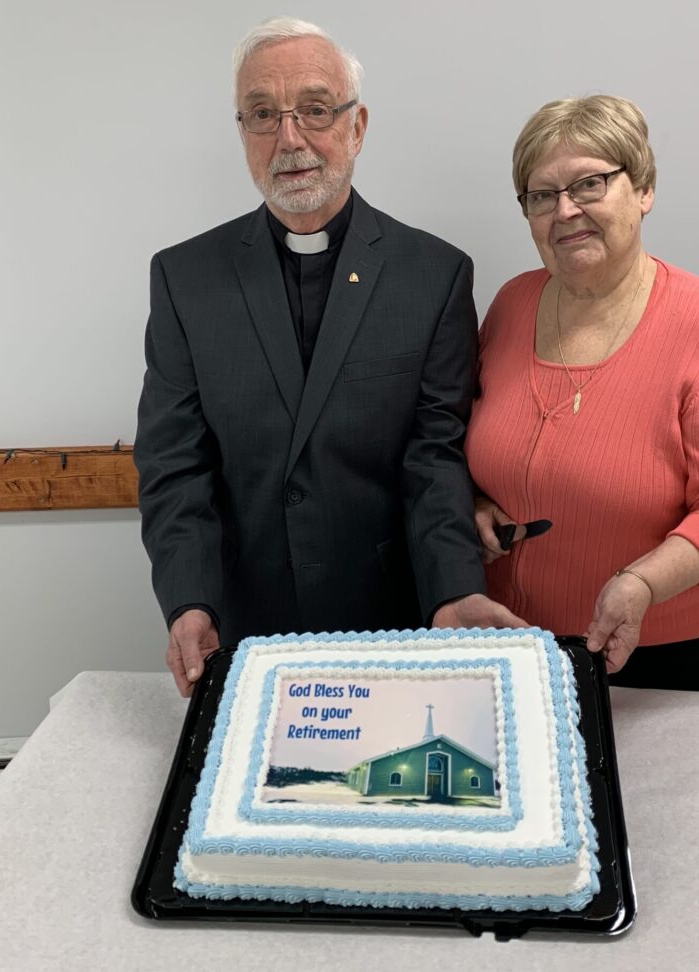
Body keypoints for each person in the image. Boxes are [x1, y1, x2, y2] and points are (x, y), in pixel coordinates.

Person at [135, 17, 522, 697]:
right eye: (262, 115)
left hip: (398, 624)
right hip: (244, 630)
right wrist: (189, 599)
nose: (290, 139)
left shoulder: (433, 275)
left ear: (357, 126)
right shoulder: (184, 278)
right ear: (243, 133)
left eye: (314, 109)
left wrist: (454, 590)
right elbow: (175, 466)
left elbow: (434, 459)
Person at [466, 96, 699, 692]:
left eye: (590, 184)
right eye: (542, 195)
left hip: (663, 651)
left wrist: (641, 583)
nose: (565, 211)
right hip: (514, 640)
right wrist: (477, 498)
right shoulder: (511, 305)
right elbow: (476, 438)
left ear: (643, 190)